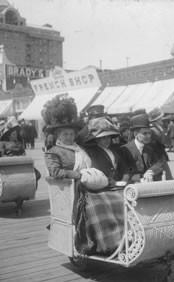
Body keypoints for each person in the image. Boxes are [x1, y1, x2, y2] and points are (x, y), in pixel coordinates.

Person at [75, 116, 126, 256]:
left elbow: (123, 169)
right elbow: (79, 138)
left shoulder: (115, 151)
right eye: (103, 138)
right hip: (100, 187)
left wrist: (123, 180)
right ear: (96, 139)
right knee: (108, 203)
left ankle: (129, 235)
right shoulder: (93, 152)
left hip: (116, 185)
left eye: (109, 137)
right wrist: (93, 122)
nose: (106, 141)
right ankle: (112, 241)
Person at [42, 96, 91, 180]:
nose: (69, 137)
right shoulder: (52, 153)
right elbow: (55, 172)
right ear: (58, 136)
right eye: (65, 134)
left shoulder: (80, 149)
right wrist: (78, 175)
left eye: (71, 134)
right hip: (70, 188)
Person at [119, 113, 164, 183]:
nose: (148, 136)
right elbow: (125, 171)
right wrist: (139, 179)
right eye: (145, 134)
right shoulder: (124, 149)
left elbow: (158, 164)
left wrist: (150, 171)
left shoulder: (149, 149)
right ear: (135, 134)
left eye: (149, 133)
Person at [148, 107, 173, 180]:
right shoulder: (153, 129)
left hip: (160, 152)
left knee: (164, 171)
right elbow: (162, 141)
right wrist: (163, 132)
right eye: (160, 118)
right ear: (156, 119)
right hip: (156, 153)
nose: (162, 119)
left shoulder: (158, 127)